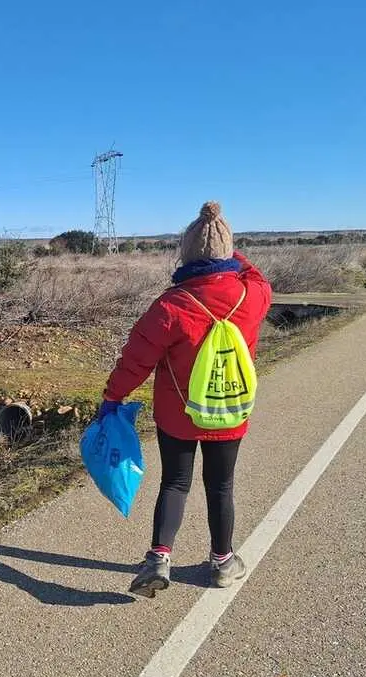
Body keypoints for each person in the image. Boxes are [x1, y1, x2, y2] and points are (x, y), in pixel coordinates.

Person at [100, 202, 271, 596]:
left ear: (185, 254)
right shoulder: (253, 296)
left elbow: (136, 360)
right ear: (229, 254)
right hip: (229, 411)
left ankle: (159, 557)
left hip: (177, 416)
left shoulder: (171, 305)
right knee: (221, 486)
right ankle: (223, 563)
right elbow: (255, 273)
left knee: (175, 483)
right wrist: (232, 252)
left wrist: (113, 396)